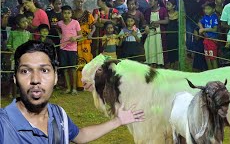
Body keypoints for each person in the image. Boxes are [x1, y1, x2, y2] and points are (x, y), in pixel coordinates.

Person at [0, 40, 145, 143]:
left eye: (44, 70)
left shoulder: (58, 114)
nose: (35, 79)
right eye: (25, 71)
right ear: (15, 79)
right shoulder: (3, 124)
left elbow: (80, 136)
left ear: (56, 77)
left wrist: (118, 121)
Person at [57, 5, 82, 95]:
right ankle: (68, 88)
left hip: (72, 49)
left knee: (72, 68)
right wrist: (59, 33)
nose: (66, 15)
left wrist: (75, 38)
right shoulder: (59, 23)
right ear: (62, 14)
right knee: (65, 68)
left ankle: (74, 88)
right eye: (64, 13)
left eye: (68, 13)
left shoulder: (75, 23)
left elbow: (81, 35)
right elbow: (57, 29)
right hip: (62, 48)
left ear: (71, 14)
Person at [72, 0, 95, 90]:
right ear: (74, 2)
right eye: (78, 1)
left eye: (81, 1)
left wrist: (91, 34)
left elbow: (93, 25)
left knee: (86, 61)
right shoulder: (71, 14)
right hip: (74, 42)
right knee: (76, 62)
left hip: (85, 41)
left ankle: (86, 84)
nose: (80, 3)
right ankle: (78, 84)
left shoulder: (88, 14)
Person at [144, 0, 169, 67]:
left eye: (151, 0)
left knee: (160, 46)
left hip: (159, 33)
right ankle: (152, 62)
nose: (149, 2)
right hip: (151, 32)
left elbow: (166, 21)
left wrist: (158, 22)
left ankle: (160, 62)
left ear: (156, 1)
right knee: (151, 47)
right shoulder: (148, 11)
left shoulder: (163, 10)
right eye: (149, 0)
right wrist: (147, 26)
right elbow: (145, 22)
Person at [198, 1, 219, 69]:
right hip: (206, 39)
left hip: (212, 40)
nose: (206, 10)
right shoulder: (205, 17)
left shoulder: (214, 17)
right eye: (205, 9)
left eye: (208, 9)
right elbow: (199, 22)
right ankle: (210, 72)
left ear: (213, 9)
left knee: (213, 57)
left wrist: (203, 30)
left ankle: (215, 73)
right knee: (207, 57)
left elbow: (214, 29)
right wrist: (201, 28)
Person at [166, 0, 179, 69]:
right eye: (166, 4)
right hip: (167, 34)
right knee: (168, 48)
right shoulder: (165, 14)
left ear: (174, 6)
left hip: (175, 34)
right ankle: (170, 62)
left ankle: (173, 63)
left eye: (169, 4)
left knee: (174, 48)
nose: (167, 6)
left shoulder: (178, 14)